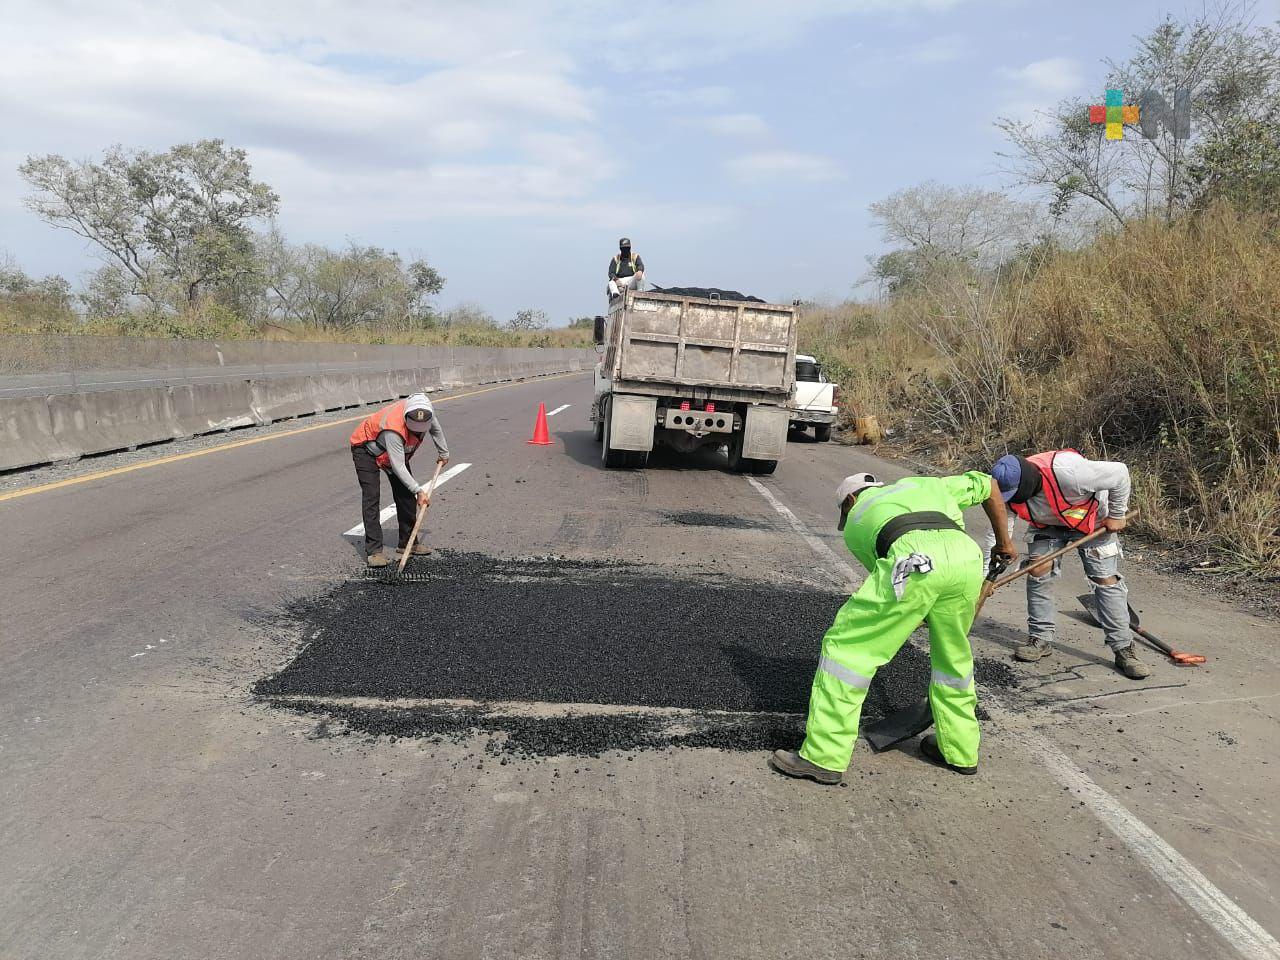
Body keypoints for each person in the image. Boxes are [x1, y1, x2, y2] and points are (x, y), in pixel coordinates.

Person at [770, 471, 1017, 785]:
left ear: (850, 500)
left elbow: (897, 591)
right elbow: (988, 484)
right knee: (952, 657)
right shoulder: (926, 484)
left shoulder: (857, 520)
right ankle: (959, 751)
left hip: (914, 560)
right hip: (966, 559)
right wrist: (1004, 544)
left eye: (844, 512)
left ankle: (824, 756)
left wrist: (920, 606)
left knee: (847, 651)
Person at [988, 450, 1150, 679]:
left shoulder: (1070, 472)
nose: (1012, 499)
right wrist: (989, 574)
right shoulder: (1004, 490)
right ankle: (1040, 639)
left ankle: (1124, 649)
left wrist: (1117, 514)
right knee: (1037, 571)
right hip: (1045, 526)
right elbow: (999, 536)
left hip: (1094, 522)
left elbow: (1120, 472)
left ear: (1028, 484)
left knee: (1104, 579)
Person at [349, 393, 449, 568]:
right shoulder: (393, 428)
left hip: (391, 453)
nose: (417, 431)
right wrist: (419, 491)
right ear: (406, 418)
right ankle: (374, 551)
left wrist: (444, 452)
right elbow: (398, 466)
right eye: (413, 428)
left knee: (405, 496)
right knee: (372, 496)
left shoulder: (425, 412)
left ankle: (407, 543)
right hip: (367, 449)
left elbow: (436, 430)